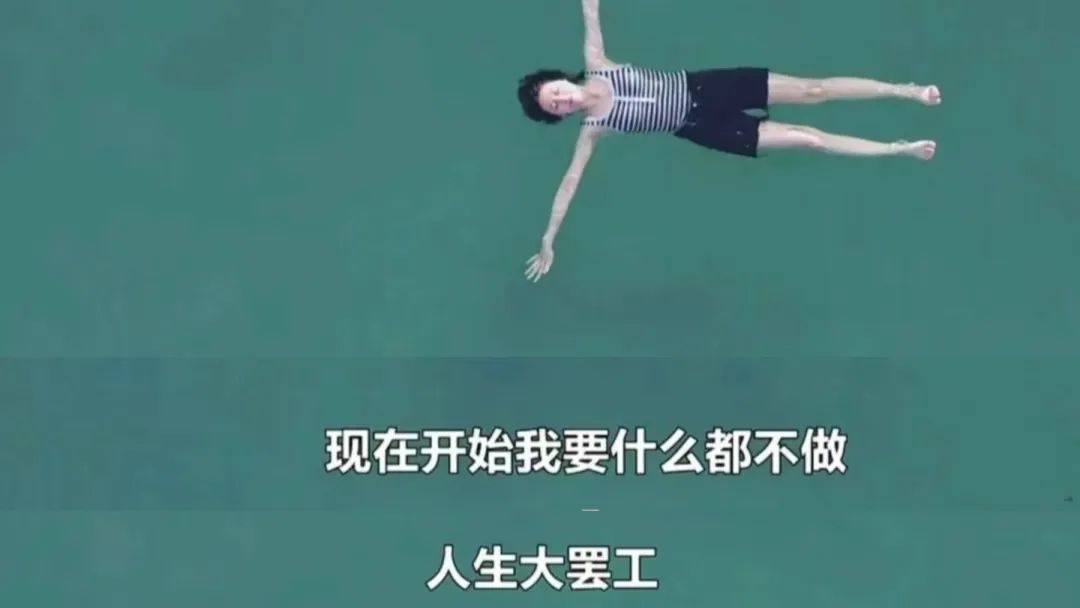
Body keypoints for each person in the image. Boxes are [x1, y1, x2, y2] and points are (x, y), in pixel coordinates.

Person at [518, 0, 942, 282]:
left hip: (707, 87)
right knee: (808, 139)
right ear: (560, 116)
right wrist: (548, 240)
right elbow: (569, 184)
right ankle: (899, 148)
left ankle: (905, 91)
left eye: (554, 91)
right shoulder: (594, 128)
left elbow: (590, 7)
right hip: (701, 127)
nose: (560, 99)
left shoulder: (597, 62)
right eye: (554, 106)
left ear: (559, 79)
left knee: (814, 90)